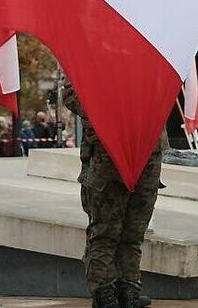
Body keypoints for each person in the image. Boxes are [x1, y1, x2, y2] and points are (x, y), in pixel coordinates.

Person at [65, 81, 163, 308]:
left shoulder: (151, 49)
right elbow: (71, 94)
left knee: (135, 228)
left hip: (147, 147)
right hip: (107, 149)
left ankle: (129, 287)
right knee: (106, 230)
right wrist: (105, 114)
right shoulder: (92, 50)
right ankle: (104, 291)